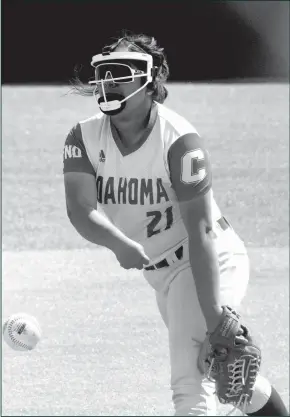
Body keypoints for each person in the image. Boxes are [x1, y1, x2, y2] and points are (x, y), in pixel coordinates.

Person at [63, 31, 288, 416]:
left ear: (150, 80)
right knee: (228, 380)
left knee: (189, 385)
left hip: (208, 260)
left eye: (120, 72)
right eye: (103, 73)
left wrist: (216, 314)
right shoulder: (83, 137)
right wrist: (118, 243)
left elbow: (200, 231)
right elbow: (80, 209)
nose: (107, 82)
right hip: (161, 273)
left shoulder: (179, 140)